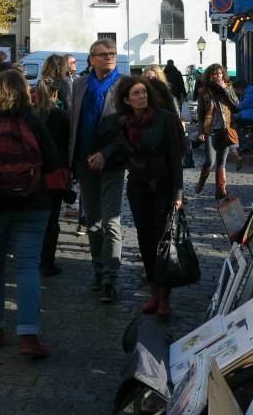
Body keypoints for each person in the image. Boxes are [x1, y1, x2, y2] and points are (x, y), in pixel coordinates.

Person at [0, 69, 60, 357]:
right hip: (32, 203)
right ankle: (28, 334)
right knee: (27, 268)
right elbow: (52, 163)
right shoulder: (34, 120)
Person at [115, 76, 183, 321]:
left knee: (161, 240)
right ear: (126, 99)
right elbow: (119, 150)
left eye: (143, 92)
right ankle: (154, 291)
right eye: (136, 93)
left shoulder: (164, 118)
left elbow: (176, 156)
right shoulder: (125, 123)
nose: (141, 96)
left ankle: (164, 296)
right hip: (138, 186)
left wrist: (178, 192)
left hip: (163, 186)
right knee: (144, 238)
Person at [69, 38, 126, 303]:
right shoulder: (80, 85)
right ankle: (97, 269)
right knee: (92, 222)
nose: (109, 58)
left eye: (112, 54)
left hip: (112, 163)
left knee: (111, 222)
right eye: (103, 55)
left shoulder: (123, 85)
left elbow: (127, 129)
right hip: (84, 162)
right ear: (91, 59)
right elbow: (74, 124)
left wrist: (106, 154)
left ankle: (110, 279)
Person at [34, 78, 70, 277]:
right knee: (52, 220)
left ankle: (36, 257)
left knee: (36, 219)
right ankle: (47, 262)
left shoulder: (31, 116)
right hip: (56, 174)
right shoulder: (62, 116)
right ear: (55, 95)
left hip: (34, 174)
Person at [195, 63, 239, 199]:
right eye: (214, 74)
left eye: (219, 73)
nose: (217, 76)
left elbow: (237, 105)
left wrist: (225, 89)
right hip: (210, 130)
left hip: (225, 130)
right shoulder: (203, 92)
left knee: (221, 161)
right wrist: (201, 131)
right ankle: (201, 182)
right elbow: (201, 113)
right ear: (209, 76)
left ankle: (220, 190)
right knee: (210, 161)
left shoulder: (228, 87)